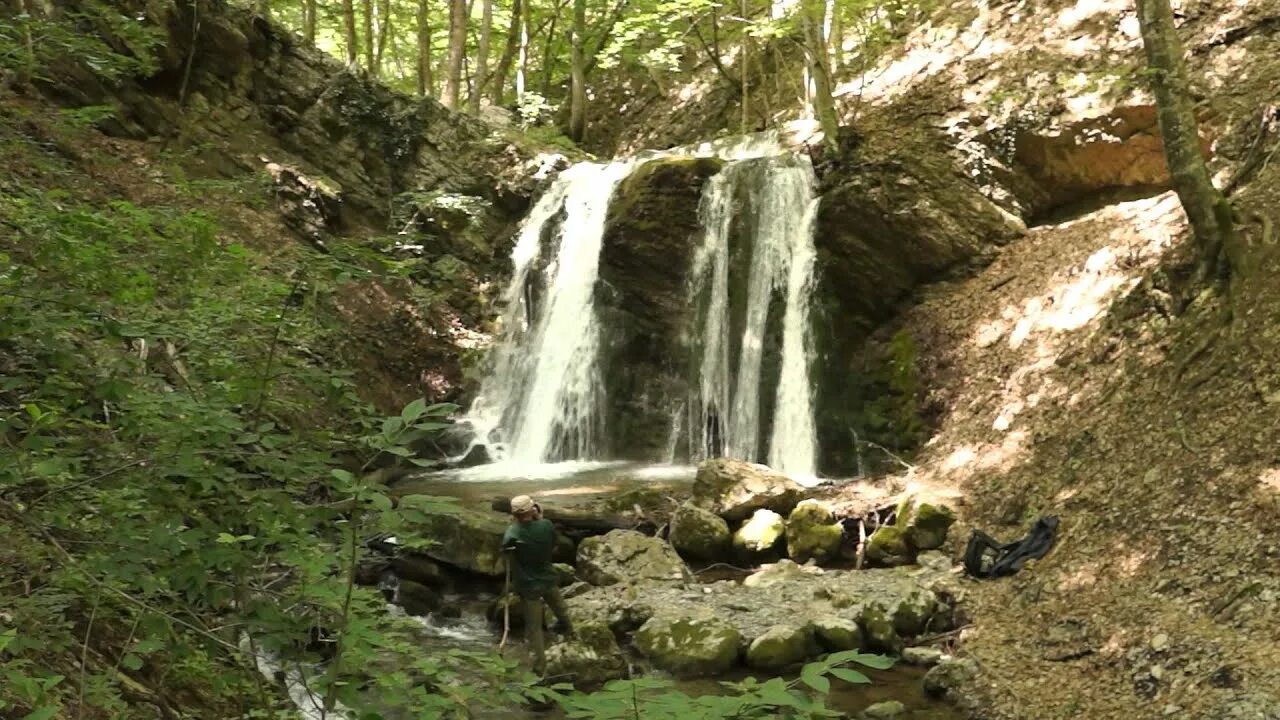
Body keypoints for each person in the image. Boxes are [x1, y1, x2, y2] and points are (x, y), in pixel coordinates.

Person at [501, 495, 572, 674]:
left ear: (514, 514)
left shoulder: (512, 533)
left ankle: (540, 667)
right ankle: (569, 630)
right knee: (560, 607)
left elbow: (505, 552)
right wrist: (539, 519)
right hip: (547, 577)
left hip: (527, 584)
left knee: (534, 628)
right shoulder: (546, 525)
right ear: (533, 510)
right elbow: (554, 543)